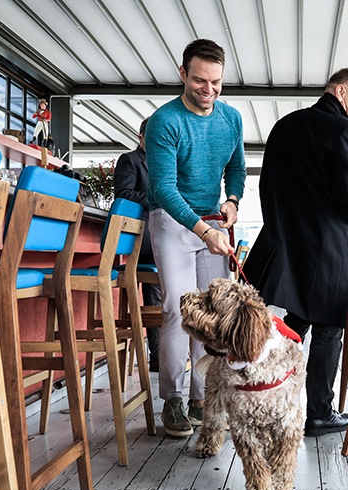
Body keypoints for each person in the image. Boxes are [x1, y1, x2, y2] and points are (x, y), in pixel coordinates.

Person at [243, 68, 348, 437]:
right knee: (330, 326)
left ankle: (270, 398)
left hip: (286, 240)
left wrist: (283, 225)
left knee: (293, 322)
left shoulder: (284, 126)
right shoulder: (345, 131)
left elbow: (267, 184)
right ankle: (318, 412)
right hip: (327, 245)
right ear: (340, 91)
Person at [145, 39, 245, 438]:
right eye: (200, 80)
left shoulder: (231, 119)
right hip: (172, 220)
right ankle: (171, 398)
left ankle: (201, 398)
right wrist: (203, 231)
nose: (209, 89)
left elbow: (237, 167)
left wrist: (233, 200)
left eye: (216, 82)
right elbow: (166, 190)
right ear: (183, 74)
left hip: (212, 220)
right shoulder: (164, 122)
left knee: (214, 314)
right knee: (176, 309)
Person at [114, 116, 160, 373]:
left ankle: (161, 355)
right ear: (141, 137)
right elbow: (123, 194)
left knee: (160, 294)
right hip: (141, 240)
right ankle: (158, 355)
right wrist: (157, 198)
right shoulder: (130, 160)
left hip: (155, 237)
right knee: (159, 291)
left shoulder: (161, 163)